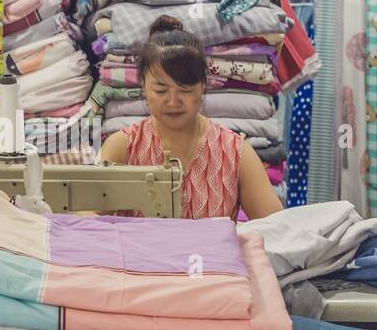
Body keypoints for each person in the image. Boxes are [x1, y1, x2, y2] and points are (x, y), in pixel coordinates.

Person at [97, 17, 284, 220]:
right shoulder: (123, 148)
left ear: (203, 86)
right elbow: (87, 220)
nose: (173, 101)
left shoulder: (235, 152)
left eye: (185, 90)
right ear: (143, 86)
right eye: (161, 90)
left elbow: (274, 225)